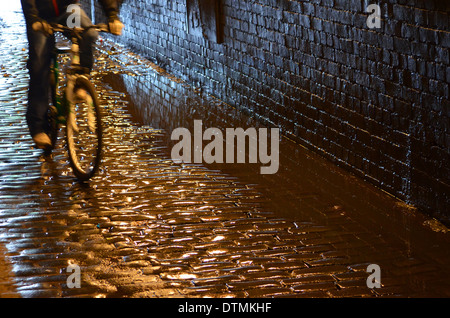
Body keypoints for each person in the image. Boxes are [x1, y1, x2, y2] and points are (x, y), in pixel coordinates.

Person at [21, 0, 124, 149]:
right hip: (40, 15)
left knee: (89, 34)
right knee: (39, 64)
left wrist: (112, 16)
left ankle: (81, 80)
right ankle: (39, 128)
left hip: (69, 10)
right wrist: (33, 18)